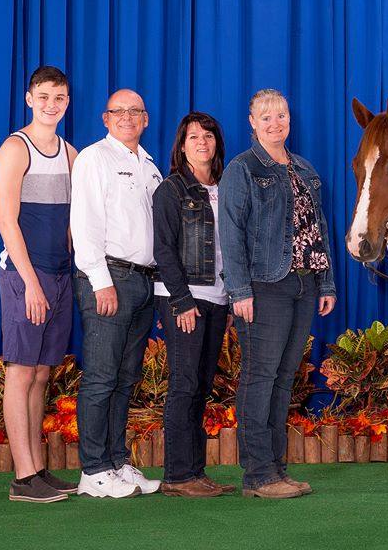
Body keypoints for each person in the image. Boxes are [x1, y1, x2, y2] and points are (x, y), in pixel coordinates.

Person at [219, 89, 336, 498]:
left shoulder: (303, 168)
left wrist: (325, 282)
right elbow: (230, 233)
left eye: (281, 115)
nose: (275, 123)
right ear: (252, 122)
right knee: (260, 376)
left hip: (304, 282)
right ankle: (258, 474)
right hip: (264, 285)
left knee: (285, 378)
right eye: (266, 117)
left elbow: (317, 228)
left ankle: (277, 469)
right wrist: (240, 291)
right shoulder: (242, 168)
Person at [70, 89, 163, 498]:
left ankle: (116, 462)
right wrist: (99, 279)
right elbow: (84, 220)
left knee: (126, 379)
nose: (127, 117)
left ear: (145, 119)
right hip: (110, 277)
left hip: (143, 281)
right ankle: (93, 470)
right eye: (118, 111)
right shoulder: (95, 158)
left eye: (135, 111)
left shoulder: (149, 166)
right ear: (105, 119)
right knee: (102, 377)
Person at [0, 65, 79, 503]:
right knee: (22, 370)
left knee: (43, 372)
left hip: (60, 274)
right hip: (26, 275)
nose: (51, 105)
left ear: (67, 103)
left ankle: (38, 469)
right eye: (43, 97)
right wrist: (30, 283)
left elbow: (73, 222)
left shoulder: (70, 153)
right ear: (29, 99)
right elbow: (7, 223)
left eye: (59, 98)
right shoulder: (15, 148)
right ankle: (23, 477)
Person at [152, 112, 234, 497]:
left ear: (217, 142)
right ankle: (177, 475)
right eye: (193, 136)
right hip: (184, 298)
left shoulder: (225, 188)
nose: (202, 142)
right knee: (184, 384)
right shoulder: (171, 190)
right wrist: (182, 300)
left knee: (201, 386)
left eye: (208, 136)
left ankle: (196, 472)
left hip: (217, 297)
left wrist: (230, 298)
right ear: (181, 146)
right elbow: (163, 250)